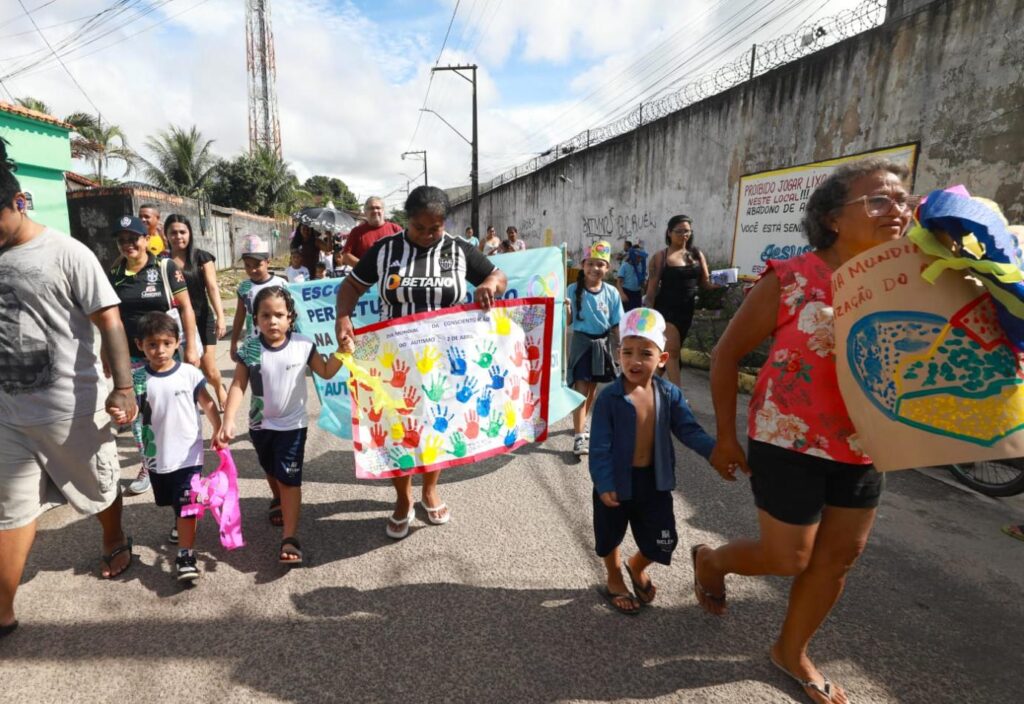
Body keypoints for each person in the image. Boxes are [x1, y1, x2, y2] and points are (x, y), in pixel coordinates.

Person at [699, 158, 913, 704]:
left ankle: (790, 650)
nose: (898, 209)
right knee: (789, 557)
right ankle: (713, 561)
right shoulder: (793, 277)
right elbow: (726, 356)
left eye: (903, 200)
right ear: (834, 219)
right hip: (788, 438)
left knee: (839, 557)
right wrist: (725, 436)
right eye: (879, 199)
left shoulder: (909, 281)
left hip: (866, 445)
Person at [0, 140, 137, 638]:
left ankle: (115, 537)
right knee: (9, 507)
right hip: (8, 413)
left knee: (100, 486)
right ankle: (4, 610)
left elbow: (111, 321)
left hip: (72, 407)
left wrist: (123, 387)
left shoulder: (67, 253)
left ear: (17, 203)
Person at [335, 185, 507, 539]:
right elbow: (351, 288)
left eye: (436, 228)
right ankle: (402, 498)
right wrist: (343, 317)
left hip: (443, 363)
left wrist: (490, 284)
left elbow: (498, 275)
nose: (429, 235)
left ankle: (430, 489)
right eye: (420, 228)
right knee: (398, 429)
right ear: (406, 222)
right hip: (393, 361)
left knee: (436, 425)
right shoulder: (385, 251)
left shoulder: (458, 250)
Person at [589, 307, 715, 615]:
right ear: (618, 354)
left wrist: (715, 451)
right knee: (610, 534)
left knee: (664, 539)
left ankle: (636, 565)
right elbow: (600, 445)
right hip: (616, 480)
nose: (634, 361)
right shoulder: (609, 397)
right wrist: (604, 482)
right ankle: (614, 576)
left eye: (645, 353)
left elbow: (688, 429)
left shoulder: (669, 393)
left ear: (662, 359)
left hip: (654, 481)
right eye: (627, 352)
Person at [218, 287, 346, 564]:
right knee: (270, 469)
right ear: (256, 319)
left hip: (292, 426)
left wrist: (342, 352)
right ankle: (276, 498)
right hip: (260, 426)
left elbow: (324, 371)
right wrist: (228, 420)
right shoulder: (250, 349)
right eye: (265, 315)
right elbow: (239, 384)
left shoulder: (303, 345)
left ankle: (290, 536)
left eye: (278, 315)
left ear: (290, 317)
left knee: (289, 478)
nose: (272, 321)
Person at [111, 312, 222, 582]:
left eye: (166, 343)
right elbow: (134, 409)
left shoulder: (189, 374)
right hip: (157, 455)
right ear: (140, 345)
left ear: (177, 342)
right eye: (152, 344)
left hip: (189, 454)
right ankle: (179, 521)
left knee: (187, 500)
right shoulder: (138, 379)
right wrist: (123, 415)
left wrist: (218, 429)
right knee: (171, 498)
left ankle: (186, 555)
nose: (159, 350)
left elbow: (207, 402)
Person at [109, 215, 200, 496]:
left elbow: (186, 307)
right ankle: (148, 463)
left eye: (133, 239)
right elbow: (110, 317)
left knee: (173, 408)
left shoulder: (164, 267)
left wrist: (192, 346)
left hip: (165, 353)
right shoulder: (114, 273)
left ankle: (185, 459)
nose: (128, 245)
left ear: (146, 240)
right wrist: (105, 353)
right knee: (137, 414)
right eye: (122, 241)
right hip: (131, 356)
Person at [644, 215, 719, 388]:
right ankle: (678, 397)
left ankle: (644, 386)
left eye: (687, 231)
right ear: (669, 233)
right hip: (666, 310)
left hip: (687, 310)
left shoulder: (697, 254)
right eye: (679, 231)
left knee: (665, 356)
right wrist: (646, 314)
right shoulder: (660, 257)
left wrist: (723, 281)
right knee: (673, 352)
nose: (683, 234)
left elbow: (705, 283)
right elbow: (651, 290)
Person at [565, 241, 624, 457]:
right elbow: (567, 322)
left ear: (607, 269)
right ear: (583, 265)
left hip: (603, 345)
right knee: (580, 390)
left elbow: (617, 323)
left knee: (591, 389)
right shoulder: (572, 290)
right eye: (590, 264)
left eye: (600, 265)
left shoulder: (611, 293)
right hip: (582, 344)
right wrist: (567, 309)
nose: (594, 269)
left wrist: (622, 347)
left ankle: (581, 423)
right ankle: (579, 437)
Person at [166, 214, 228, 409]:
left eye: (182, 232)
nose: (178, 237)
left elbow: (212, 287)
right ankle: (203, 400)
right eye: (173, 233)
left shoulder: (201, 257)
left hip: (203, 318)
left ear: (190, 233)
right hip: (178, 322)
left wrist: (220, 317)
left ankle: (219, 387)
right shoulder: (162, 261)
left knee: (209, 370)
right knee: (188, 367)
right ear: (166, 235)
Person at [229, 236, 286, 364]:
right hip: (253, 344)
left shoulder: (281, 284)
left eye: (257, 265)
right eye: (247, 266)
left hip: (278, 341)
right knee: (257, 379)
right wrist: (233, 342)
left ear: (268, 262)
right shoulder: (244, 288)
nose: (252, 270)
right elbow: (239, 316)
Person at [338, 196, 402, 267]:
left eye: (378, 208)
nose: (375, 211)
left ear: (383, 211)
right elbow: (346, 256)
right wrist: (366, 268)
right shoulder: (356, 232)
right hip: (366, 277)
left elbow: (406, 251)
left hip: (391, 275)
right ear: (365, 212)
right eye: (371, 208)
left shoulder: (396, 229)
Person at [616, 241, 648, 312]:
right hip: (627, 293)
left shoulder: (640, 266)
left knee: (637, 312)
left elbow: (642, 281)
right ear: (632, 256)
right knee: (626, 312)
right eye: (638, 257)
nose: (640, 259)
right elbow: (619, 282)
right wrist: (622, 294)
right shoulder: (624, 266)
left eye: (641, 258)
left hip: (637, 293)